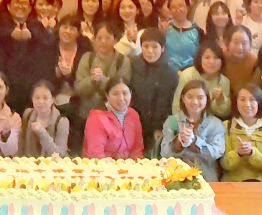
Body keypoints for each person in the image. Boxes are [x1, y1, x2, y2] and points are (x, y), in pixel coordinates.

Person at [0, 0, 56, 113]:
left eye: (24, 3)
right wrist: (10, 36)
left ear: (29, 8)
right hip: (7, 84)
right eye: (17, 2)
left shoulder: (36, 26)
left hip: (31, 85)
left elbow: (49, 47)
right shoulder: (1, 25)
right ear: (9, 6)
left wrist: (32, 37)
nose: (20, 6)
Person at [161, 80, 225, 182]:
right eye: (190, 97)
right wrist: (179, 141)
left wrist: (195, 141)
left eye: (200, 98)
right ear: (183, 98)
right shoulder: (172, 121)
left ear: (207, 99)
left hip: (206, 177)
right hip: (175, 177)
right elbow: (164, 153)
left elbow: (216, 153)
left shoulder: (216, 124)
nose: (195, 102)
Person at [129, 28, 179, 158]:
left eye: (154, 47)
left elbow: (169, 103)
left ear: (162, 48)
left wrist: (161, 127)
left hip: (158, 128)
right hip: (133, 124)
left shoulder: (170, 72)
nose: (150, 51)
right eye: (146, 46)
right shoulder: (132, 65)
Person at [74, 22, 132, 131]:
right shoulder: (87, 58)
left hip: (114, 117)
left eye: (108, 38)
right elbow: (78, 88)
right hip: (87, 115)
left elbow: (122, 90)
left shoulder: (123, 61)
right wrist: (92, 80)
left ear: (115, 40)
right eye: (99, 38)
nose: (103, 41)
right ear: (94, 40)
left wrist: (103, 80)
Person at [220, 84, 262, 182]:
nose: (247, 104)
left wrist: (252, 153)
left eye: (252, 100)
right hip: (231, 182)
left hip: (259, 182)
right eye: (242, 100)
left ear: (259, 102)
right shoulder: (226, 126)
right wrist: (238, 153)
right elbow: (224, 164)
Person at [83, 78, 144, 159]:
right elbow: (96, 155)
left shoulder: (134, 115)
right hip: (101, 165)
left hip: (128, 165)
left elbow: (137, 149)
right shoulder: (97, 118)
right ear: (107, 96)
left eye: (125, 93)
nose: (121, 98)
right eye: (115, 94)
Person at [173, 41, 232, 119]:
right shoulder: (188, 75)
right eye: (207, 57)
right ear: (200, 59)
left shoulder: (224, 81)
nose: (211, 62)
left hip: (209, 122)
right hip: (185, 120)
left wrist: (220, 101)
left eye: (216, 58)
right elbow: (177, 105)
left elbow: (224, 114)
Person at [21, 81, 70, 157]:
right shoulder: (28, 115)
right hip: (29, 162)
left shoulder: (62, 121)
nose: (41, 102)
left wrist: (42, 133)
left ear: (53, 99)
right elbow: (22, 144)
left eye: (45, 98)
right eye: (37, 98)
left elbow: (60, 154)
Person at [165, 0, 202, 71]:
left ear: (187, 7)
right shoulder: (166, 29)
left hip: (191, 72)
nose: (177, 10)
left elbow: (201, 56)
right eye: (173, 7)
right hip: (168, 72)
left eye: (181, 6)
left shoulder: (197, 31)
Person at [222, 25, 258, 96]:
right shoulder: (220, 57)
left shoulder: (254, 62)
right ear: (228, 43)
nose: (240, 47)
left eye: (244, 43)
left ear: (250, 44)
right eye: (236, 43)